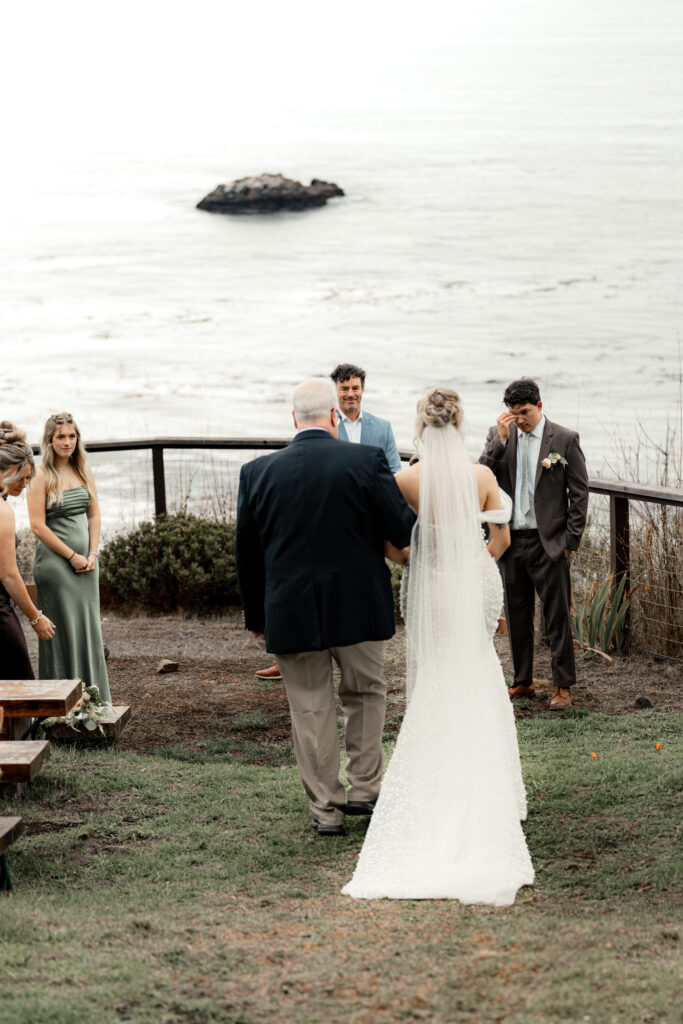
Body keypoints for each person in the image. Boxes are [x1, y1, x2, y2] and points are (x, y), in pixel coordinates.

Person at [342, 387, 533, 904]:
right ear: (461, 423)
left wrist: (426, 561)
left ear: (421, 427)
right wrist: (474, 563)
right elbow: (502, 539)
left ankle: (433, 787)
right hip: (473, 582)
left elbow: (392, 546)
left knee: (437, 673)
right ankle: (493, 792)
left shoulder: (406, 479)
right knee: (478, 669)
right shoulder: (481, 477)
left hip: (431, 585)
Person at [236, 379, 415, 836]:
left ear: (294, 420)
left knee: (310, 708)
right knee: (366, 694)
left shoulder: (257, 472)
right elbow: (402, 528)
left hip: (290, 609)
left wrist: (257, 618)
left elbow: (248, 556)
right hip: (358, 605)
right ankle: (365, 790)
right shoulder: (364, 460)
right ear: (334, 416)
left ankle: (326, 809)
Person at [255, 361, 403, 682]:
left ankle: (353, 656)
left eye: (355, 388)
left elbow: (393, 473)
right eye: (344, 389)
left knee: (353, 586)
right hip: (324, 516)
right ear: (335, 394)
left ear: (363, 390)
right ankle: (289, 657)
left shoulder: (382, 427)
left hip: (362, 524)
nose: (350, 394)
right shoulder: (320, 424)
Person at [480, 378, 589, 710]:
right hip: (511, 541)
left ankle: (562, 686)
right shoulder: (498, 435)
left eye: (524, 412)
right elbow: (482, 476)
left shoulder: (565, 439)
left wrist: (568, 542)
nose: (519, 419)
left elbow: (579, 493)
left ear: (539, 407)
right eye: (513, 413)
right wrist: (498, 441)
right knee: (516, 615)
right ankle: (523, 681)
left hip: (550, 544)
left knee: (556, 617)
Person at [27, 413, 111, 702]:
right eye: (61, 436)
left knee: (88, 628)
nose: (67, 442)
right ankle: (59, 704)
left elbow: (94, 513)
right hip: (55, 565)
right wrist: (72, 555)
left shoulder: (84, 469)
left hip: (87, 564)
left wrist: (92, 553)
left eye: (72, 436)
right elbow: (37, 526)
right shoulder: (40, 476)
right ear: (50, 439)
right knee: (63, 632)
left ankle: (93, 699)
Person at [0, 423, 55, 681]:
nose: (24, 484)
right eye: (21, 476)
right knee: (19, 685)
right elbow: (9, 575)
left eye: (28, 478)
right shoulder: (2, 511)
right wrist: (36, 618)